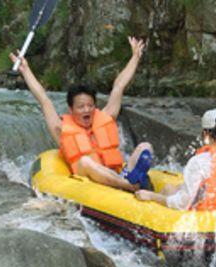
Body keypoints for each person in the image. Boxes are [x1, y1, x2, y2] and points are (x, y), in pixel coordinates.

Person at [10, 36, 154, 192]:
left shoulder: (106, 116)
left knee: (145, 147)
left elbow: (119, 86)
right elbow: (44, 99)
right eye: (81, 107)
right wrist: (25, 70)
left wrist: (135, 57)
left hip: (116, 173)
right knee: (85, 161)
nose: (87, 110)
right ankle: (129, 185)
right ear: (71, 109)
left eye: (90, 105)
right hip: (90, 180)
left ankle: (128, 181)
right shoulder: (61, 127)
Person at [136, 109, 216, 210]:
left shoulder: (199, 161)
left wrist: (152, 196)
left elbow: (182, 204)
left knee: (166, 192)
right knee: (169, 188)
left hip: (206, 220)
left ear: (205, 134)